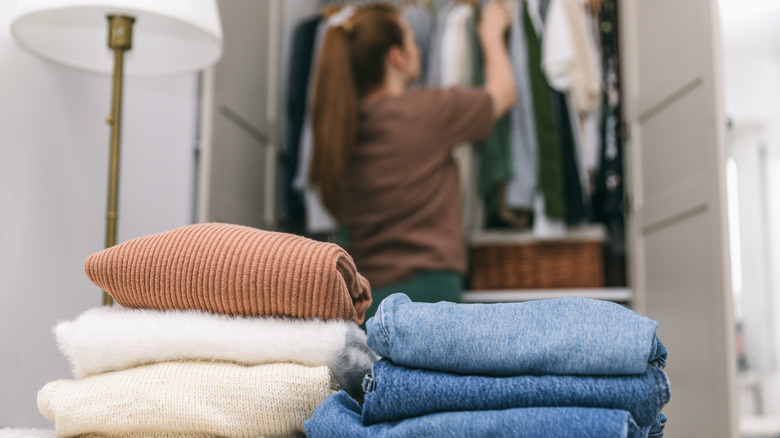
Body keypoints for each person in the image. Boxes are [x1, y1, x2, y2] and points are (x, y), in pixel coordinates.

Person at [310, 1, 516, 321]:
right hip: (431, 300)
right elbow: (502, 93)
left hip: (363, 304)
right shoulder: (429, 110)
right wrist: (490, 34)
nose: (418, 47)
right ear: (396, 56)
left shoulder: (338, 129)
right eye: (411, 39)